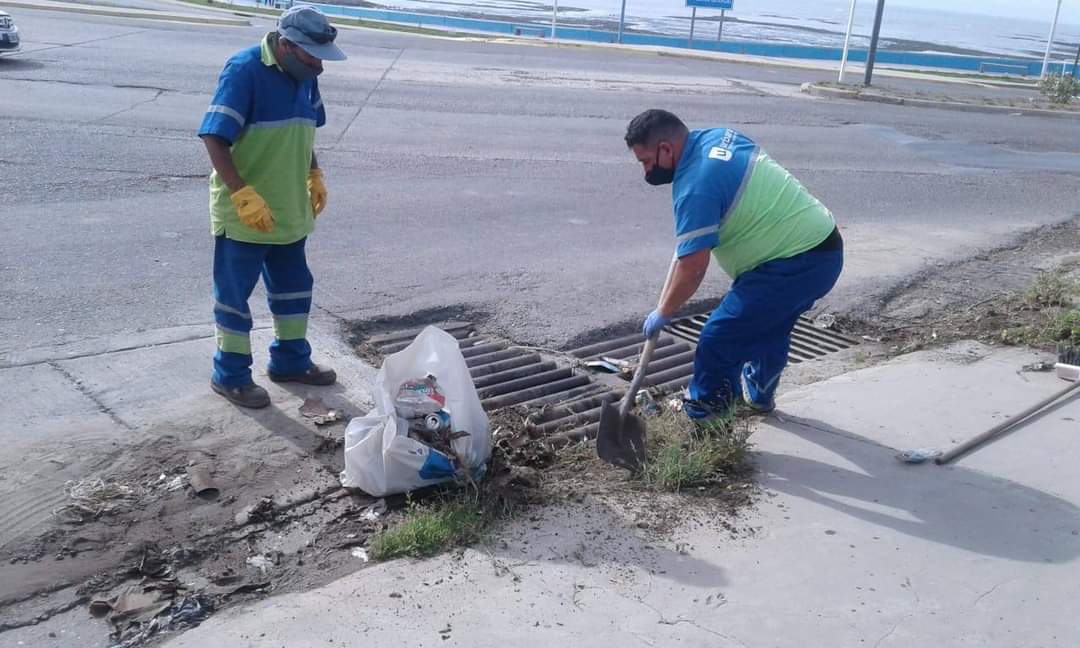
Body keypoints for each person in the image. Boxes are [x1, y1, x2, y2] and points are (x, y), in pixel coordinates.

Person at [625, 109, 844, 423]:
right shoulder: (719, 136)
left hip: (793, 263)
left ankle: (709, 421)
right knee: (768, 325)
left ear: (666, 149)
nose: (646, 172)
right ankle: (759, 396)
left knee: (719, 337)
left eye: (646, 161)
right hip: (824, 247)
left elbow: (693, 268)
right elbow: (690, 248)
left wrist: (665, 311)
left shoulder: (695, 186)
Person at [198, 6, 347, 408]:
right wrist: (242, 195)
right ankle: (229, 375)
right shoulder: (244, 70)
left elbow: (303, 131)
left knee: (294, 290)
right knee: (234, 296)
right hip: (246, 213)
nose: (320, 66)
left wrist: (313, 174)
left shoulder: (306, 78)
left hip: (289, 209)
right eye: (313, 56)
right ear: (285, 46)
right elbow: (214, 137)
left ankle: (290, 362)